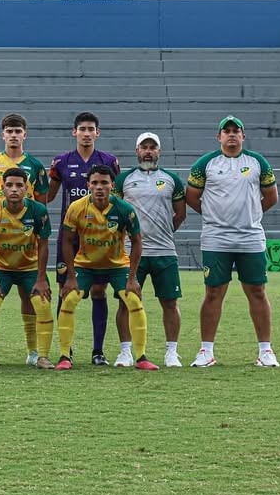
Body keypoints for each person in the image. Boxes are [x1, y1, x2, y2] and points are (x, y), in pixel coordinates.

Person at [186, 116, 279, 368]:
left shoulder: (257, 162)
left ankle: (265, 350)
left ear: (243, 136)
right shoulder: (205, 164)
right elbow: (192, 197)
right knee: (213, 292)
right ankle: (206, 351)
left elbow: (271, 197)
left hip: (250, 237)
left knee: (257, 291)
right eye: (226, 131)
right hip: (216, 239)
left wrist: (250, 216)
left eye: (235, 131)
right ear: (219, 137)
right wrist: (214, 217)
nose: (231, 135)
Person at [57, 165, 157, 370]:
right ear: (88, 185)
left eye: (104, 183)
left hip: (117, 266)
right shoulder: (76, 208)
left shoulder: (124, 209)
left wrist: (132, 278)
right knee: (69, 300)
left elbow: (137, 241)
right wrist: (71, 276)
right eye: (95, 183)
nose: (99, 187)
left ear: (112, 185)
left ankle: (141, 357)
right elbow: (66, 241)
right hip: (85, 265)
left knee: (133, 300)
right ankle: (65, 356)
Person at [0, 113, 50, 366]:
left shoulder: (36, 165)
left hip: (26, 240)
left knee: (30, 296)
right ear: (3, 135)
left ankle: (34, 352)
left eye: (18, 131)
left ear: (24, 135)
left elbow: (41, 202)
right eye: (9, 131)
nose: (13, 135)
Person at [47, 111, 121, 366]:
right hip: (70, 236)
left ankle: (98, 351)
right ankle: (65, 350)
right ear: (74, 132)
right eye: (82, 129)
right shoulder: (61, 162)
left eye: (91, 129)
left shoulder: (109, 161)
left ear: (97, 133)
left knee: (99, 290)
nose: (86, 133)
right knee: (66, 290)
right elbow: (48, 196)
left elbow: (116, 197)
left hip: (99, 237)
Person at [114, 132, 186, 367]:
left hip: (164, 251)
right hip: (130, 252)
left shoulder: (172, 179)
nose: (148, 151)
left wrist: (164, 231)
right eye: (143, 147)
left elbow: (180, 213)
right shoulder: (123, 179)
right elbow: (114, 213)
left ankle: (171, 352)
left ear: (159, 151)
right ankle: (125, 352)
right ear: (137, 151)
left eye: (152, 147)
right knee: (125, 302)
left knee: (170, 302)